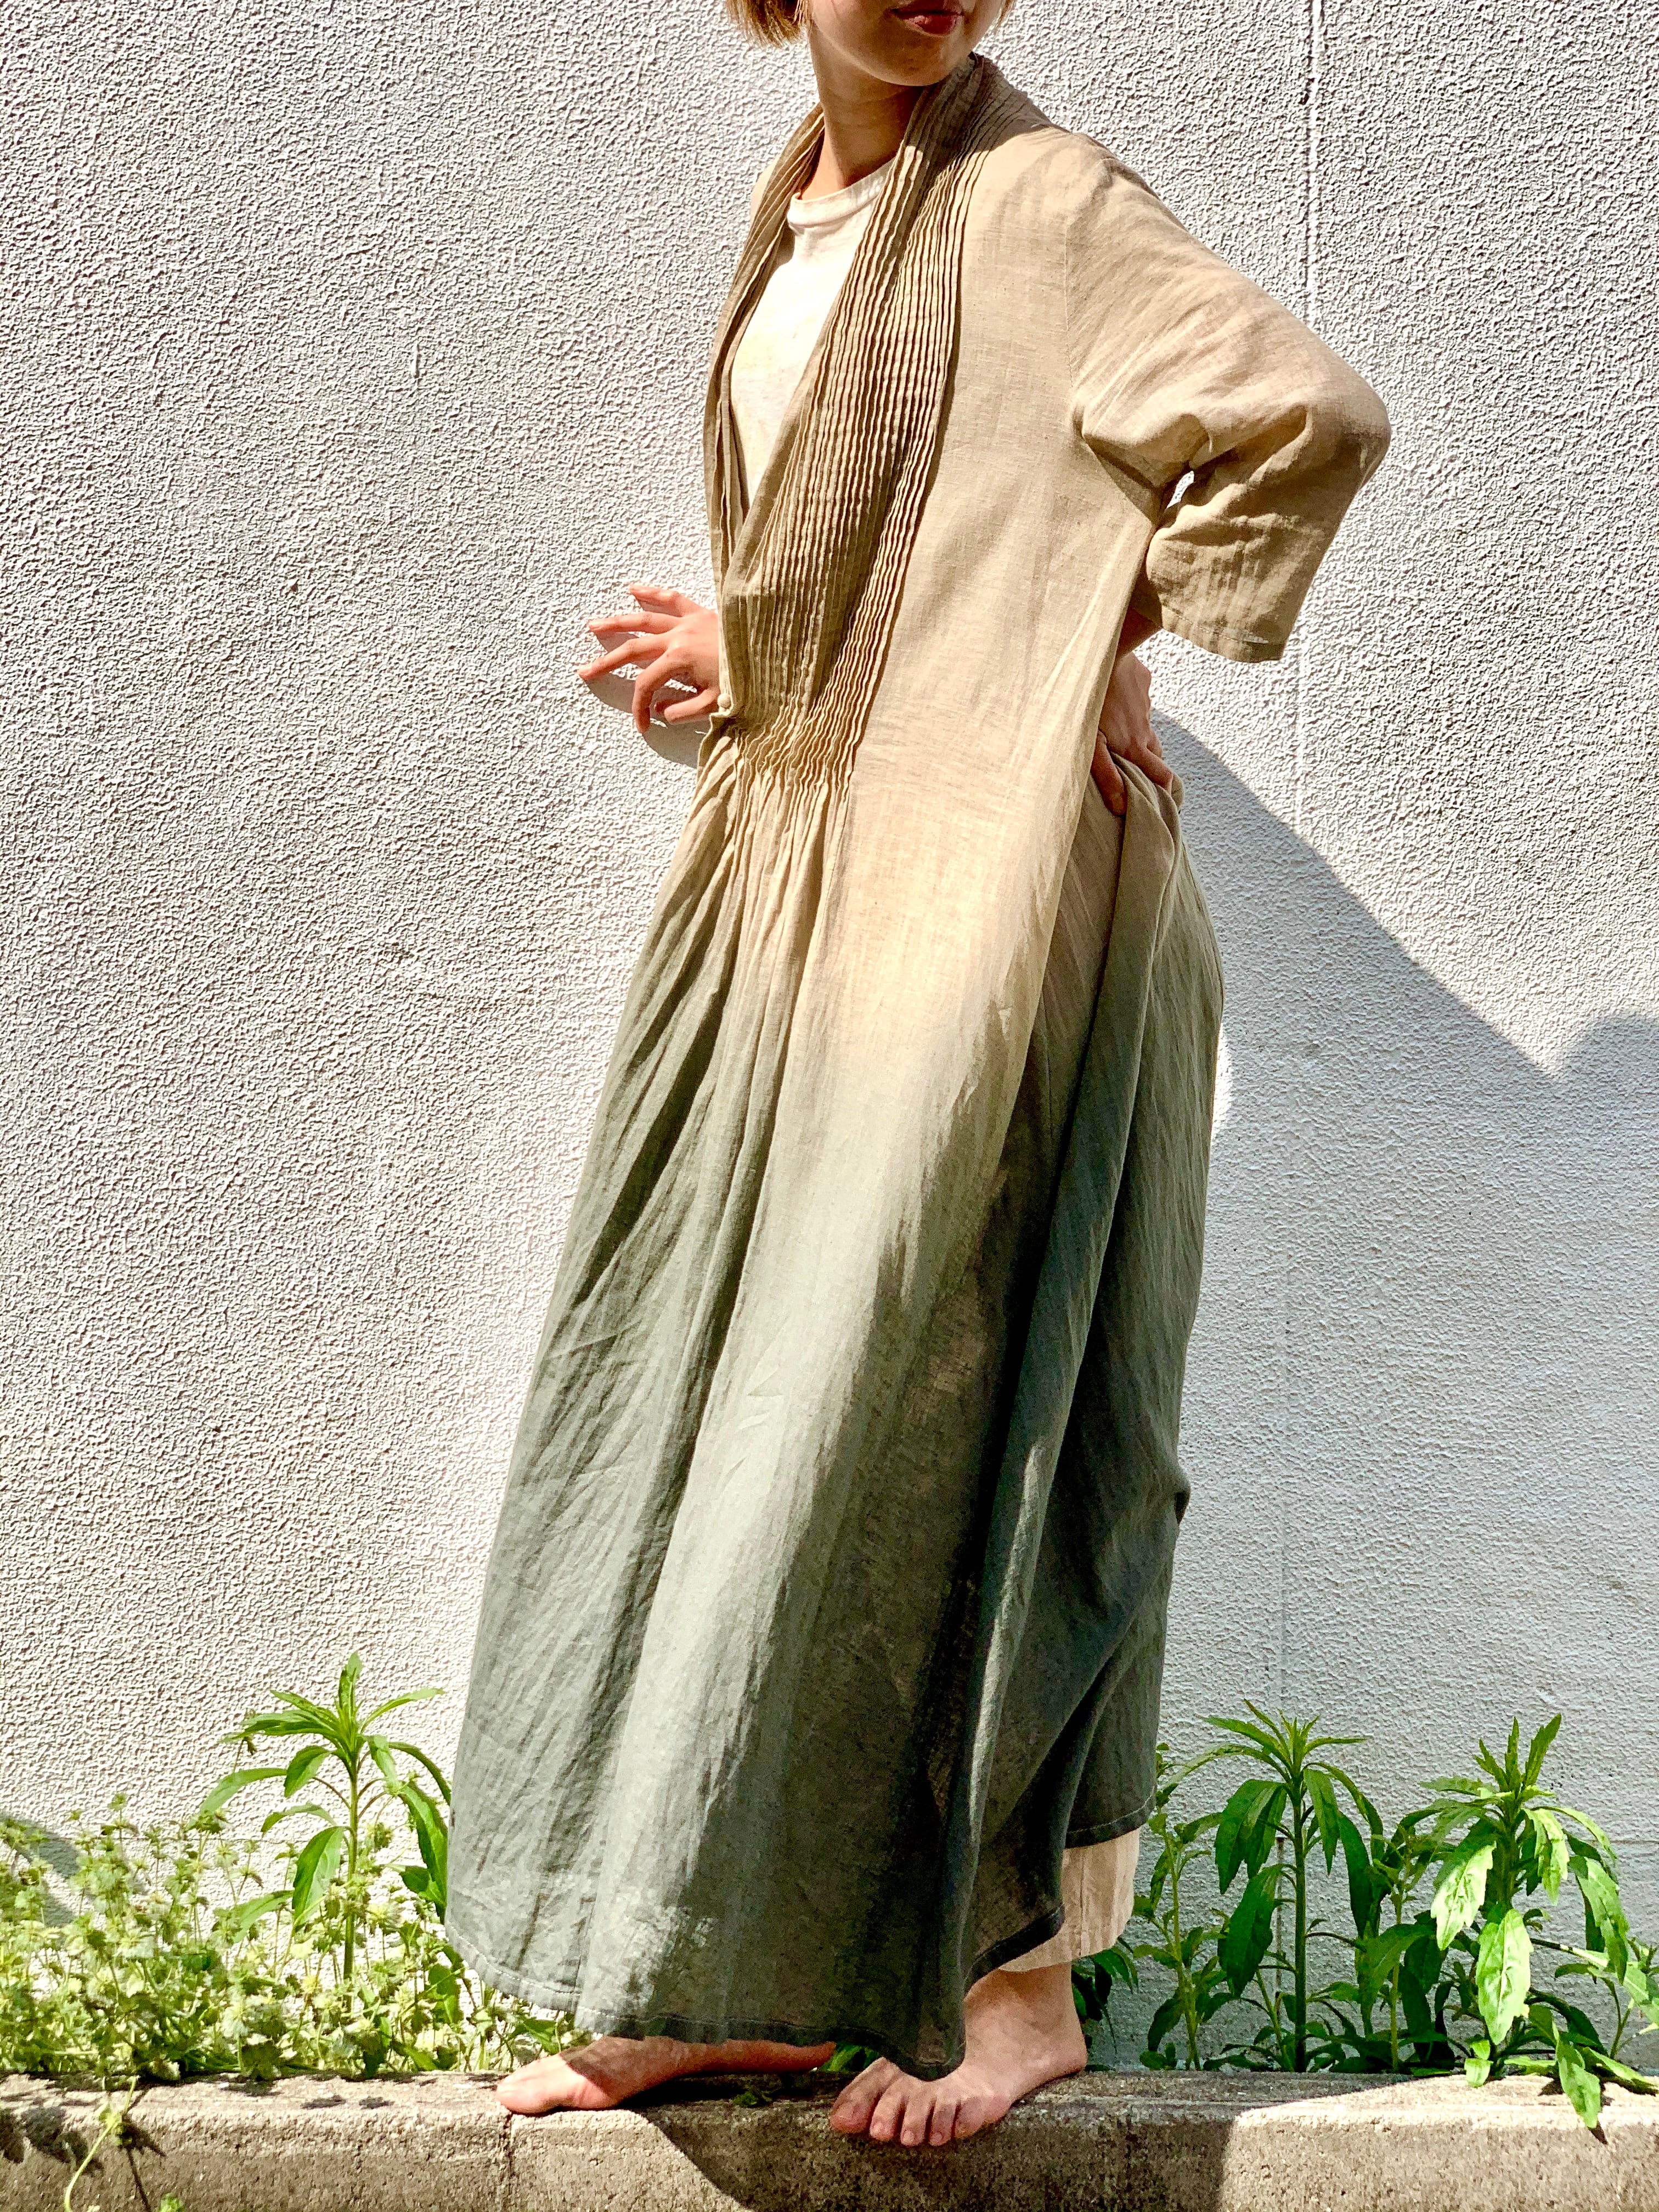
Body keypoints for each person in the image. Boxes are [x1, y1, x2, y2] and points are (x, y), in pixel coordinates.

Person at [442, 0, 1389, 2151]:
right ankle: (733, 1973)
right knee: (736, 1415)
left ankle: (1019, 1988)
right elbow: (905, 550)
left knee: (984, 1415)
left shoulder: (1040, 200)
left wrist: (1082, 639)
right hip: (815, 894)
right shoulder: (811, 218)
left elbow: (1303, 417)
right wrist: (756, 648)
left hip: (991, 920)